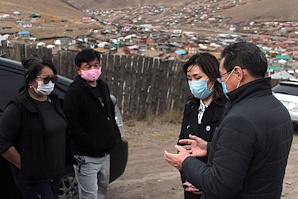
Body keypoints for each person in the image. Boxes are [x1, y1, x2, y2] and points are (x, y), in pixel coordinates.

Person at [164, 42, 293, 199]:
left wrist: (186, 163)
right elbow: (251, 155)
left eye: (223, 75)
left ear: (238, 73)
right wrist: (210, 148)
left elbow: (220, 185)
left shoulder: (240, 118)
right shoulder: (278, 109)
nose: (222, 81)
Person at [0, 55, 67, 199]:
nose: (50, 83)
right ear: (31, 80)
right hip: (33, 178)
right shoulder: (18, 107)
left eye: (53, 79)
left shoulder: (53, 102)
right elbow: (3, 143)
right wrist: (26, 167)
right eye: (45, 79)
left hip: (54, 172)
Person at [63, 49, 120, 199]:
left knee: (102, 190)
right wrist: (89, 143)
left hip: (104, 153)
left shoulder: (102, 86)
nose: (93, 70)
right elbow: (72, 123)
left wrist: (112, 137)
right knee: (89, 195)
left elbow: (109, 113)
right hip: (86, 156)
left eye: (96, 65)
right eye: (88, 67)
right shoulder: (75, 92)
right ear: (78, 69)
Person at [178, 53, 226, 199]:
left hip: (214, 185)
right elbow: (183, 144)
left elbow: (226, 153)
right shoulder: (191, 105)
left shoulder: (226, 107)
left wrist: (203, 181)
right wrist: (188, 177)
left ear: (212, 76)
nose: (193, 83)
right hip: (190, 183)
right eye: (189, 79)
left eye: (198, 78)